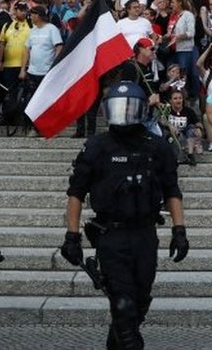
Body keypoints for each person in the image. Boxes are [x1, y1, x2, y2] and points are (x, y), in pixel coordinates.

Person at [60, 81, 188, 349]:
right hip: (111, 236)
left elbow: (172, 190)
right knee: (123, 304)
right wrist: (72, 236)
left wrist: (180, 230)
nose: (124, 114)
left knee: (140, 301)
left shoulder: (157, 146)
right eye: (118, 108)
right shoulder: (96, 147)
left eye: (129, 107)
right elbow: (76, 192)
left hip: (144, 234)